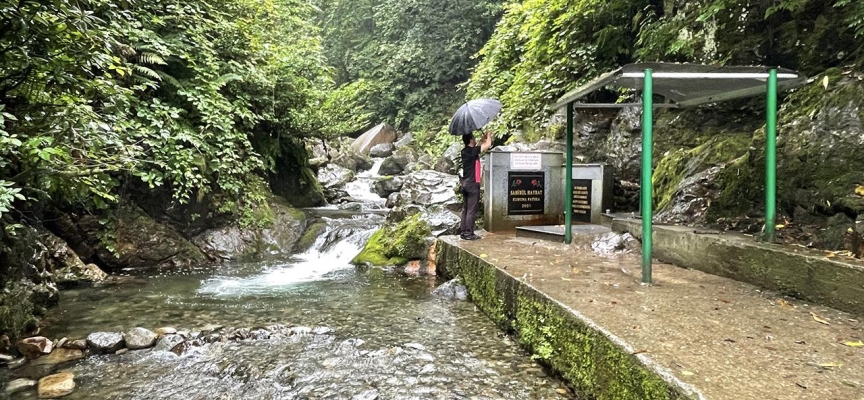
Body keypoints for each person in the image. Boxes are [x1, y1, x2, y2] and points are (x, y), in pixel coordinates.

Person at [459, 130, 492, 240]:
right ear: (471, 140)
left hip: (465, 184)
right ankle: (469, 233)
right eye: (474, 138)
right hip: (473, 184)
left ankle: (464, 232)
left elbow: (478, 147)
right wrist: (489, 135)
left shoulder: (465, 151)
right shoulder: (472, 151)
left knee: (465, 209)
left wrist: (483, 138)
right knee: (471, 210)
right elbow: (487, 145)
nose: (475, 139)